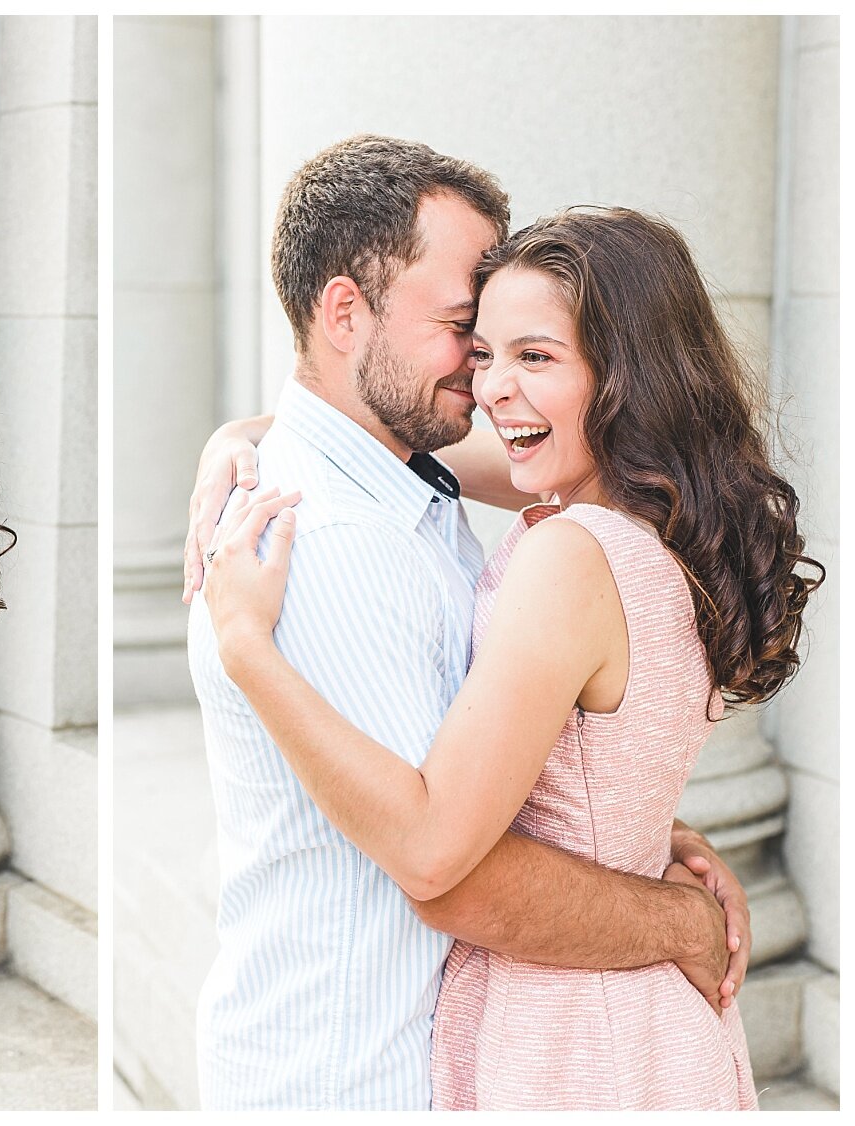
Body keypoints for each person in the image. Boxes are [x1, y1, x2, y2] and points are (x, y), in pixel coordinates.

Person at [200, 205, 824, 1109]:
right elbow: (387, 444)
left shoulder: (572, 555)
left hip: (572, 1034)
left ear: (624, 375)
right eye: (481, 351)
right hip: (636, 1017)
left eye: (535, 356)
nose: (491, 387)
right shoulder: (658, 524)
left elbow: (432, 858)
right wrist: (242, 440)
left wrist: (247, 648)